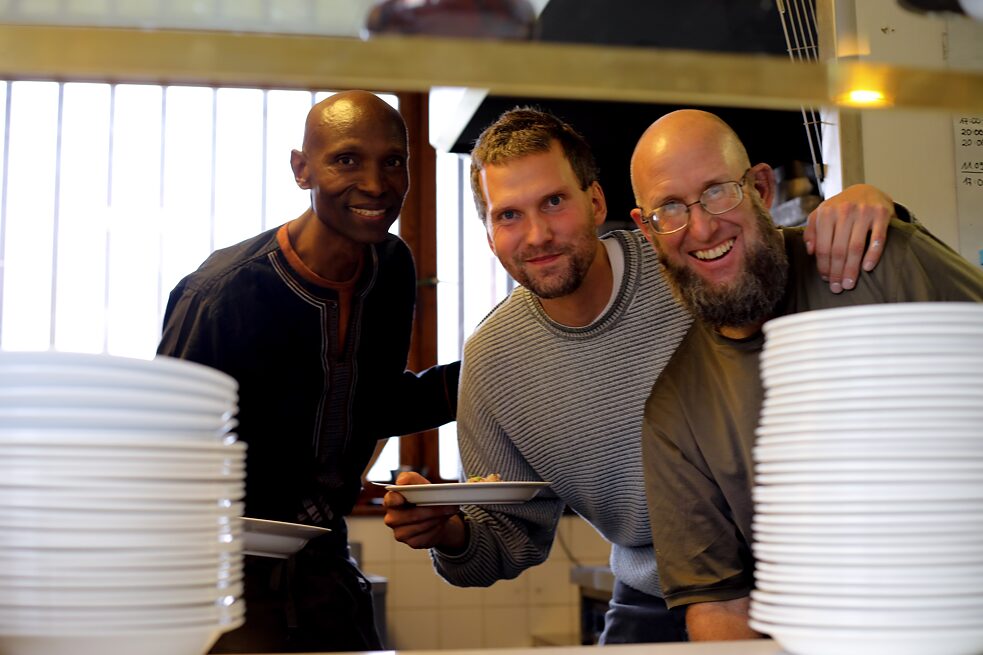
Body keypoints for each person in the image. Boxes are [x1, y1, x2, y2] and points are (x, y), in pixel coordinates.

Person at [382, 107, 899, 644]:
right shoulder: (493, 361)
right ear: (489, 234)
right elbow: (509, 537)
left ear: (597, 202)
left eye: (554, 202)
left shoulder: (686, 258)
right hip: (655, 595)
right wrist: (448, 531)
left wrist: (865, 208)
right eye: (508, 215)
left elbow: (771, 251)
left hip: (807, 571)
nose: (536, 235)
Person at [630, 109, 983, 641]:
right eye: (670, 209)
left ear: (761, 188)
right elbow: (722, 608)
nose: (701, 228)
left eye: (718, 191)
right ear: (648, 230)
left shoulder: (878, 258)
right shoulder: (673, 415)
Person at [157, 90, 460, 653]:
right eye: (346, 159)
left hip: (325, 569)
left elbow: (373, 405)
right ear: (302, 170)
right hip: (222, 579)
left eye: (394, 161)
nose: (375, 183)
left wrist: (495, 375)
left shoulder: (391, 269)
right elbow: (162, 457)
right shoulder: (221, 294)